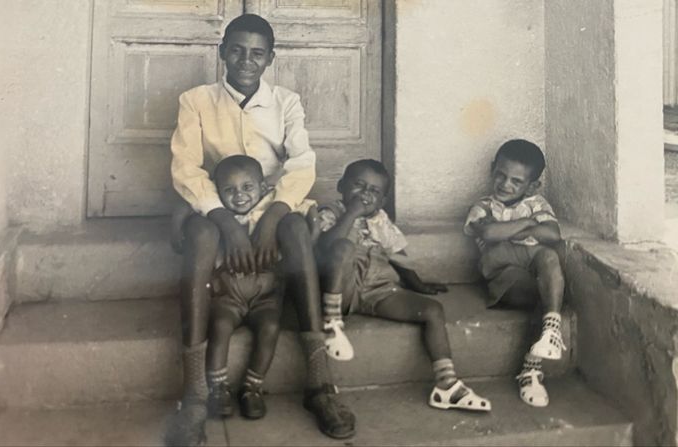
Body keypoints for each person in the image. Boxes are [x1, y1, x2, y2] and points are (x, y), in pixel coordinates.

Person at [166, 14, 355, 446]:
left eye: (256, 53)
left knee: (294, 228)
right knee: (200, 235)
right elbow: (186, 168)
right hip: (219, 204)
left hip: (271, 204)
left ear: (270, 58)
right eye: (236, 50)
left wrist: (271, 216)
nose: (245, 61)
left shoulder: (286, 101)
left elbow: (302, 162)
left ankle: (319, 384)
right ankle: (194, 396)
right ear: (222, 52)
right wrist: (223, 221)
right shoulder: (196, 100)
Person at [314, 159, 491, 413]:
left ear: (383, 200)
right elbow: (324, 248)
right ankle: (331, 321)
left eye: (374, 191)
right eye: (359, 186)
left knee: (432, 310)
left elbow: (397, 254)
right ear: (342, 186)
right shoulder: (331, 212)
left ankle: (447, 384)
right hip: (343, 289)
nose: (365, 194)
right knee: (343, 247)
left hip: (378, 289)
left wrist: (417, 283)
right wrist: (351, 213)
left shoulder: (381, 220)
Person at [204, 155, 315, 420]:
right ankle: (218, 388)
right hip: (229, 298)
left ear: (264, 188)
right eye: (229, 190)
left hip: (265, 299)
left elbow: (308, 207)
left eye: (247, 188)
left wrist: (314, 228)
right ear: (218, 193)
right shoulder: (221, 219)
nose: (239, 196)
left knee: (271, 328)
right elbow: (189, 208)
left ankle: (252, 387)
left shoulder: (271, 212)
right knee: (219, 326)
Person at [463, 139, 567, 408]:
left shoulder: (537, 202)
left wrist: (509, 232)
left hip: (530, 267)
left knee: (549, 256)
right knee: (543, 290)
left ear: (532, 186)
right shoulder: (483, 206)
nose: (505, 185)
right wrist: (530, 224)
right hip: (503, 276)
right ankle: (532, 369)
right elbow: (487, 232)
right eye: (501, 175)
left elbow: (553, 234)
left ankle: (550, 330)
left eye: (516, 181)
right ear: (492, 169)